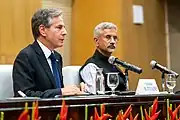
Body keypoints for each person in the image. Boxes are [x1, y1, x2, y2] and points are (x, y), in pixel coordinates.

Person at [13, 8, 81, 98]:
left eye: (64, 27)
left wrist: (75, 91)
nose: (65, 32)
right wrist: (60, 92)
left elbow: (58, 91)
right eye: (59, 27)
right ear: (42, 30)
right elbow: (24, 95)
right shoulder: (26, 56)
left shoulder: (57, 57)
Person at [79, 22, 126, 94]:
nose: (113, 41)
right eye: (108, 37)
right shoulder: (91, 66)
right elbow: (95, 97)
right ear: (96, 41)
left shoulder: (114, 65)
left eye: (115, 38)